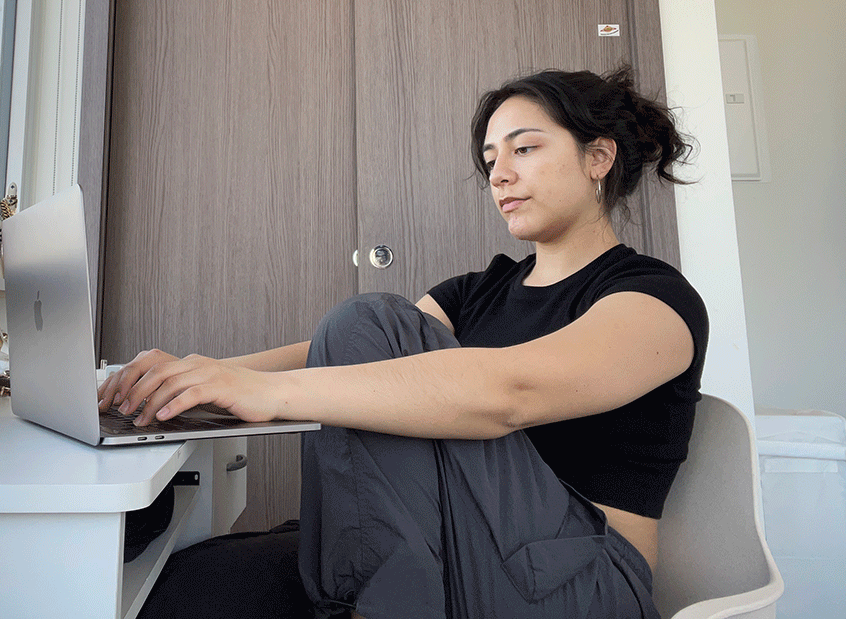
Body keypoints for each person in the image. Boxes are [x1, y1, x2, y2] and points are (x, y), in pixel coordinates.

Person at [98, 65, 708, 619]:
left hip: (583, 582)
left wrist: (271, 393)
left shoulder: (654, 300)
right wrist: (193, 377)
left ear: (598, 157)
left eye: (525, 148)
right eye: (491, 157)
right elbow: (342, 354)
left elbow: (510, 391)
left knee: (370, 318)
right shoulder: (478, 292)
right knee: (186, 587)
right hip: (447, 542)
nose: (500, 173)